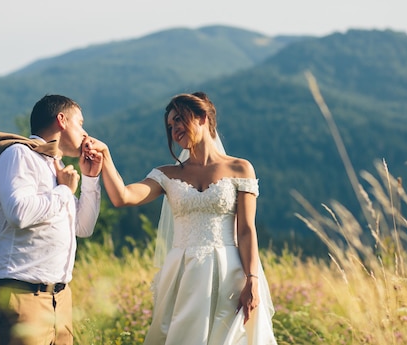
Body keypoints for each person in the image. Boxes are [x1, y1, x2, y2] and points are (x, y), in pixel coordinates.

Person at [87, 92, 277, 345]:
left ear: (202, 117)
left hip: (229, 272)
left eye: (179, 120)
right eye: (170, 125)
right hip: (183, 272)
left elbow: (246, 230)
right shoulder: (167, 174)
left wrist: (252, 279)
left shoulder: (240, 168)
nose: (175, 129)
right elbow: (123, 197)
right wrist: (106, 158)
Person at [0, 94, 103, 345]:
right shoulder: (19, 155)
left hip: (60, 298)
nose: (85, 134)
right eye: (80, 123)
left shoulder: (57, 167)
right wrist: (64, 190)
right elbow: (19, 214)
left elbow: (83, 227)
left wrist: (91, 179)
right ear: (61, 120)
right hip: (22, 295)